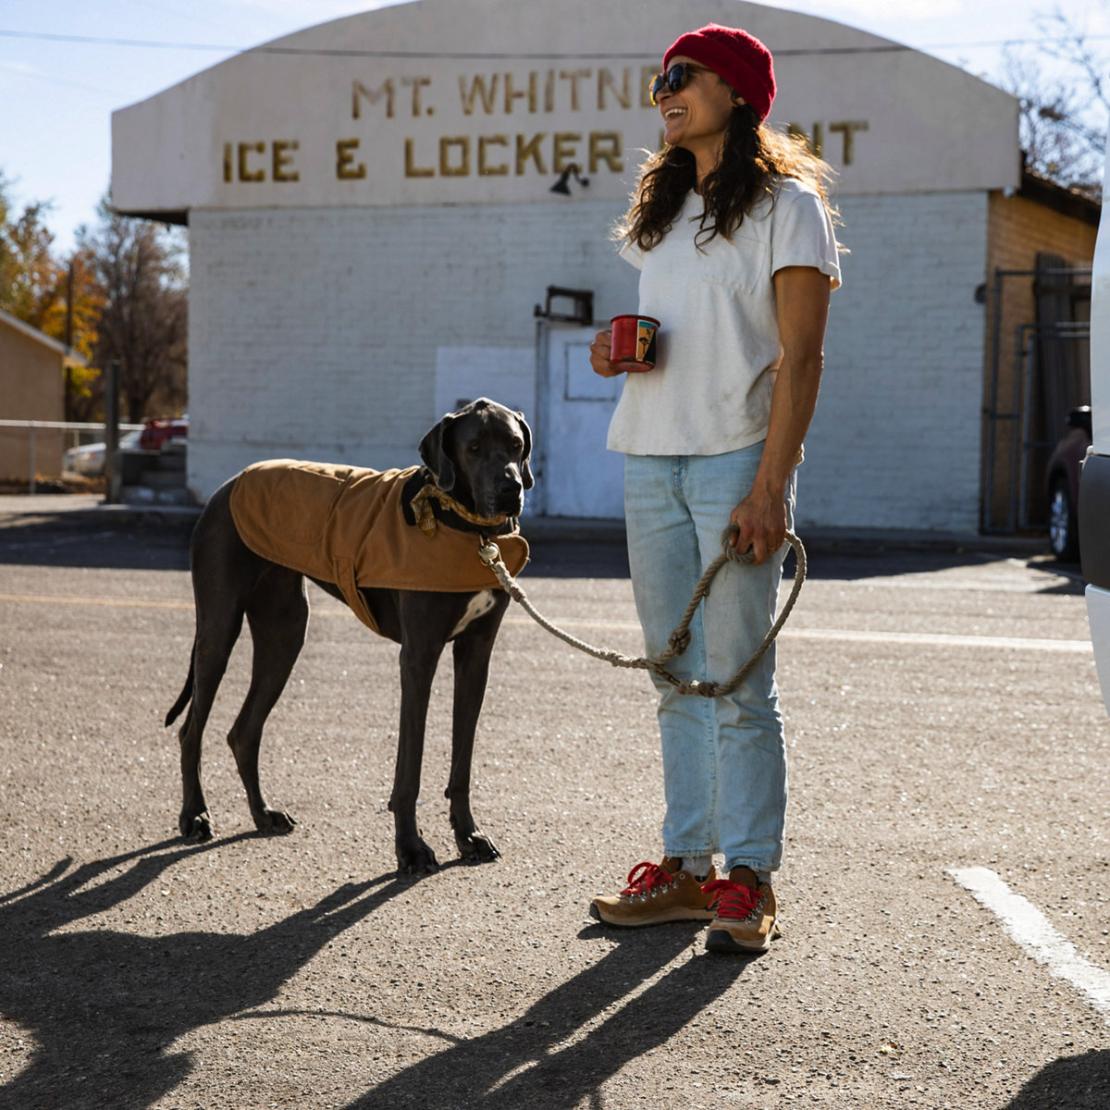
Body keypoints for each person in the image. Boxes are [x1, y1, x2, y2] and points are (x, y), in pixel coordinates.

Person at [587, 23, 842, 954]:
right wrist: (611, 352)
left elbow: (803, 356)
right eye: (658, 77)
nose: (664, 88)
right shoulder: (662, 211)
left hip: (737, 459)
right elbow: (667, 337)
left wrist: (772, 485)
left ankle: (749, 877)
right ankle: (687, 869)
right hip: (649, 457)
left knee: (736, 681)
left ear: (736, 91)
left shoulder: (788, 205)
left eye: (682, 76)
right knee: (672, 676)